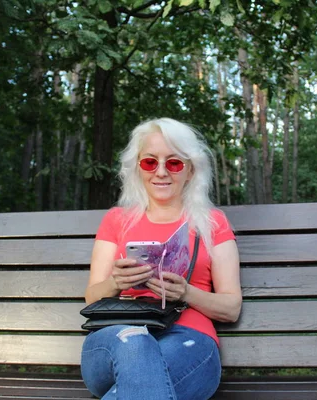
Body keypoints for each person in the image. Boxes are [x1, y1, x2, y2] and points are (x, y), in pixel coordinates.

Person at [80, 118, 242, 400]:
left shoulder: (212, 222)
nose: (161, 172)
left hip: (188, 338)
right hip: (115, 338)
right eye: (150, 162)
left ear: (190, 170)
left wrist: (187, 292)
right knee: (136, 342)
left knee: (136, 382)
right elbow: (93, 298)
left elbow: (231, 308)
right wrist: (116, 282)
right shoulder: (117, 220)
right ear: (137, 168)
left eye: (174, 163)